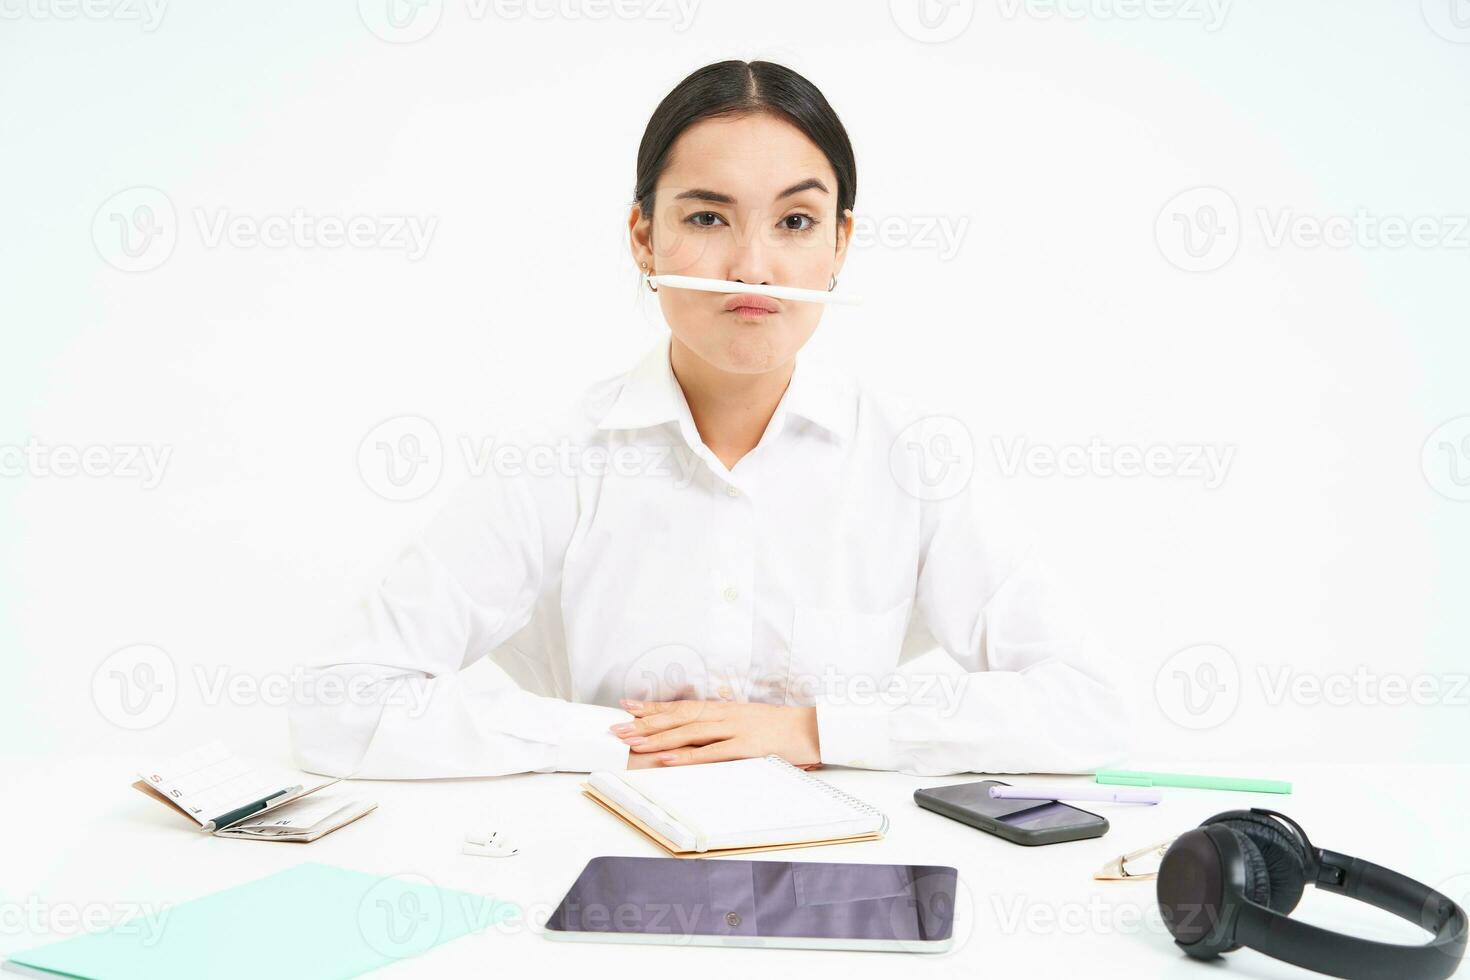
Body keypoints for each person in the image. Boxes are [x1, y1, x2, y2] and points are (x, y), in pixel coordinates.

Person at [288, 60, 1132, 779]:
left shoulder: (912, 459)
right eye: (705, 218)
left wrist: (810, 732)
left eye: (795, 222)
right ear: (644, 239)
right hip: (601, 859)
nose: (752, 265)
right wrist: (619, 741)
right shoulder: (561, 461)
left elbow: (1089, 705)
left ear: (839, 246)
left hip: (843, 876)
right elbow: (337, 703)